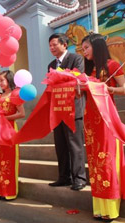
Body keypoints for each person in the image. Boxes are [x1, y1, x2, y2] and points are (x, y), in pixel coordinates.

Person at [81, 33, 125, 221]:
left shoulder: (113, 66)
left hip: (107, 120)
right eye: (83, 49)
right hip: (91, 122)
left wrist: (109, 89)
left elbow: (124, 88)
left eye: (86, 48)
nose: (84, 52)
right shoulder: (90, 72)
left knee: (106, 162)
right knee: (95, 164)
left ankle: (111, 209)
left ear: (97, 47)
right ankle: (99, 207)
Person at [47, 33, 87, 191]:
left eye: (54, 44)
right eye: (50, 46)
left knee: (75, 145)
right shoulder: (51, 64)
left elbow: (78, 79)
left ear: (65, 44)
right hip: (57, 110)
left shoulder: (76, 59)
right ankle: (64, 177)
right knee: (60, 145)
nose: (52, 48)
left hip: (73, 109)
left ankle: (80, 178)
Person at [0, 70, 25, 200]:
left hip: (10, 130)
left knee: (9, 160)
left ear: (10, 80)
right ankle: (0, 190)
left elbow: (22, 113)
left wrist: (6, 118)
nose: (0, 83)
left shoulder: (15, 94)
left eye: (2, 80)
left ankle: (9, 191)